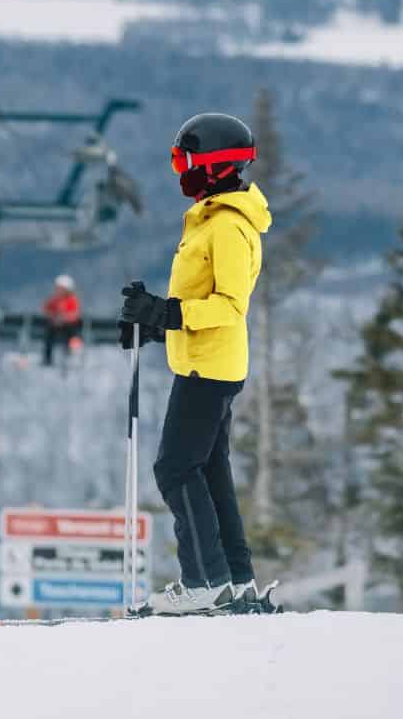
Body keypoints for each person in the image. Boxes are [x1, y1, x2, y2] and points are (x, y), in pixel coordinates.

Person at [119, 111, 274, 615]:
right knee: (208, 470)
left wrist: (167, 312)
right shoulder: (214, 217)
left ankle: (203, 583)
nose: (180, 172)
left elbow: (230, 306)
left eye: (185, 161)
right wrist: (154, 322)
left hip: (210, 367)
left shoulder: (228, 227)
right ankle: (235, 580)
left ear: (212, 165)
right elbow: (198, 302)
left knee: (175, 468)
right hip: (206, 362)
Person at [41, 274, 83, 366]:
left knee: (72, 335)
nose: (59, 291)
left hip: (68, 326)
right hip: (55, 326)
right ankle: (48, 359)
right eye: (58, 288)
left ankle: (71, 354)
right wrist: (53, 317)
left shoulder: (71, 300)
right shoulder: (54, 300)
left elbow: (75, 314)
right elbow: (46, 310)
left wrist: (63, 318)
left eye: (61, 289)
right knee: (49, 335)